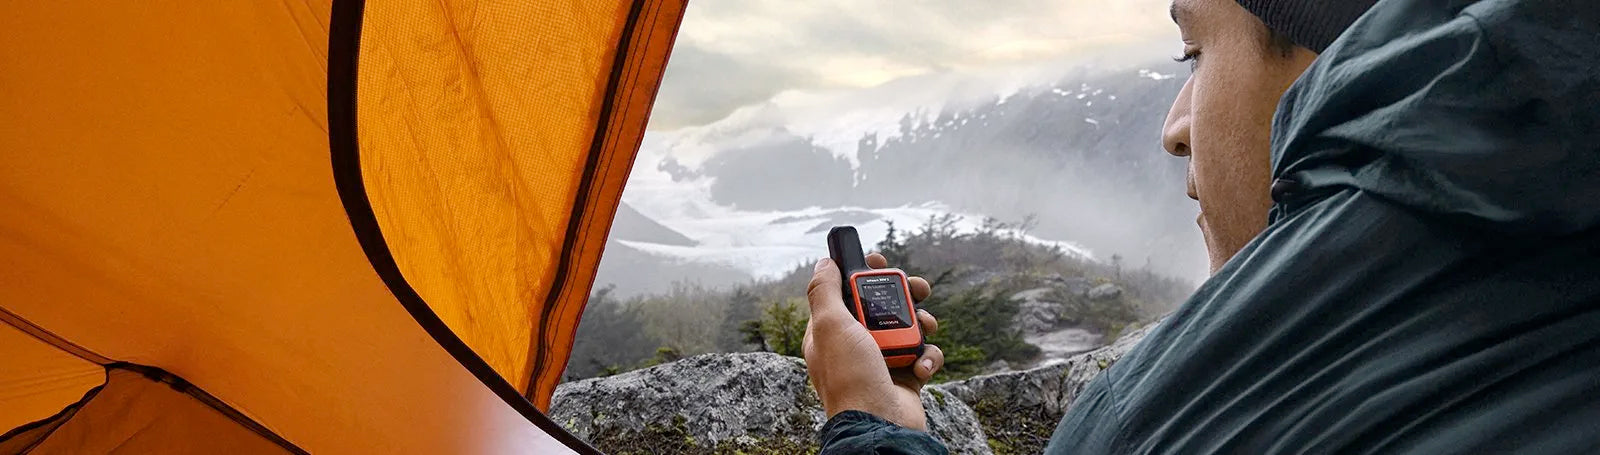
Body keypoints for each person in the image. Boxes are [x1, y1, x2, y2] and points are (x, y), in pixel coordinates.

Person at [805, 0, 1600, 453]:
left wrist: (871, 425)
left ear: (1344, 58)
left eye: (1194, 52)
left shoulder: (1165, 421)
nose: (1174, 127)